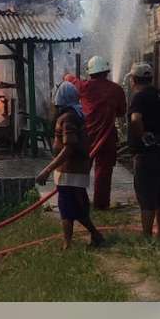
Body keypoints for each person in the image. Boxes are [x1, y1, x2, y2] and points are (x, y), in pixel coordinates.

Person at [36, 81, 105, 249]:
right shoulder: (75, 114)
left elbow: (69, 146)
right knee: (77, 206)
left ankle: (67, 244)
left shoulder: (67, 118)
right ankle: (96, 236)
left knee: (67, 208)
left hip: (69, 172)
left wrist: (47, 169)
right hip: (74, 171)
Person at [64, 55, 127, 210]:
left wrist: (68, 75)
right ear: (106, 71)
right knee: (103, 172)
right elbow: (121, 112)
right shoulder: (116, 89)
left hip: (86, 136)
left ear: (90, 73)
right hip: (107, 137)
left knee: (80, 170)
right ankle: (101, 204)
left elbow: (70, 80)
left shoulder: (84, 86)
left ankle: (78, 202)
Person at [127, 62, 160, 239]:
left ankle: (147, 236)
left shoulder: (138, 98)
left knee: (146, 196)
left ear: (134, 80)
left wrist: (143, 136)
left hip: (145, 154)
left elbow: (135, 119)